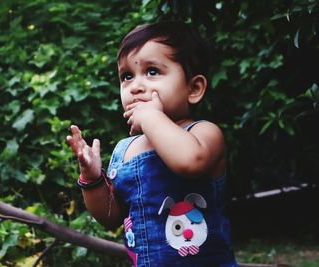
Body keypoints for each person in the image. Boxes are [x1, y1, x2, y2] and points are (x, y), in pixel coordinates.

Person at [67, 21, 237, 267]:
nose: (136, 86)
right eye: (127, 76)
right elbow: (111, 217)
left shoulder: (203, 133)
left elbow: (190, 162)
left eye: (153, 71)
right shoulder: (125, 150)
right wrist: (92, 179)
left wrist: (150, 116)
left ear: (194, 88)